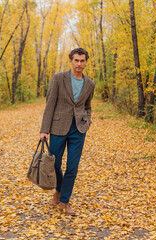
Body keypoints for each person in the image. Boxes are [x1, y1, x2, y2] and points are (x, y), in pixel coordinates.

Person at [40, 48, 95, 215]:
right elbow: (50, 104)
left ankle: (64, 201)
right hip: (58, 126)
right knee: (55, 163)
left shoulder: (90, 84)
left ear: (86, 62)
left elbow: (87, 106)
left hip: (78, 129)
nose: (79, 64)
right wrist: (44, 130)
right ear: (71, 60)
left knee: (72, 166)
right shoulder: (58, 78)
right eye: (76, 60)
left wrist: (88, 121)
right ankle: (58, 190)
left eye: (82, 60)